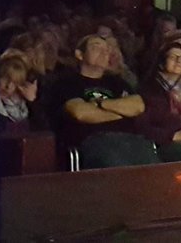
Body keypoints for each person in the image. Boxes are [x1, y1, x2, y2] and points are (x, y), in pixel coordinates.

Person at [52, 35, 157, 169]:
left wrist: (102, 104)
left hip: (131, 140)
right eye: (96, 48)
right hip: (94, 141)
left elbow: (138, 106)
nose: (104, 53)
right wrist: (122, 111)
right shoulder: (67, 83)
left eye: (107, 50)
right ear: (80, 54)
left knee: (154, 170)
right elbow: (81, 113)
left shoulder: (118, 82)